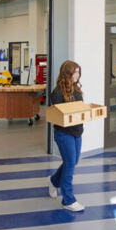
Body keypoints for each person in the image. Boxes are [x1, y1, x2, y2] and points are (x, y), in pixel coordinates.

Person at [47, 60, 85, 211]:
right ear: (67, 73)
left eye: (78, 72)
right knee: (69, 164)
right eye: (75, 72)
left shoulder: (77, 90)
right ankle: (68, 200)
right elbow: (60, 115)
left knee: (73, 162)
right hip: (64, 133)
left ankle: (53, 181)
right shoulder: (56, 93)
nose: (78, 75)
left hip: (77, 131)